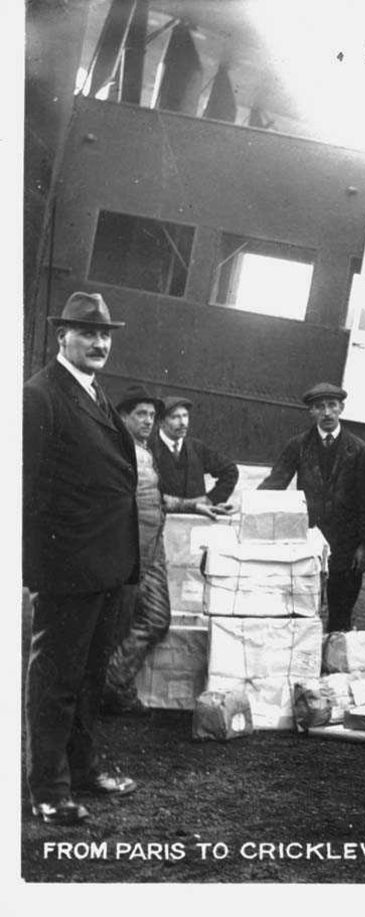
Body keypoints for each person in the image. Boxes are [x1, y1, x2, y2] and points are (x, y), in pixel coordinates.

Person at [23, 292, 140, 825]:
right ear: (61, 337)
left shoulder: (93, 393)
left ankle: (85, 767)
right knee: (57, 680)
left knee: (91, 675)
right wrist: (34, 568)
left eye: (105, 335)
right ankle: (47, 789)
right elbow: (22, 491)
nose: (99, 343)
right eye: (87, 333)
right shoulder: (41, 396)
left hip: (107, 565)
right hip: (68, 568)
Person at [103, 386, 223, 715]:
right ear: (123, 417)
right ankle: (113, 683)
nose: (148, 420)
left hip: (151, 550)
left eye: (152, 415)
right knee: (149, 619)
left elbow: (157, 499)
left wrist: (193, 505)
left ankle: (115, 684)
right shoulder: (118, 451)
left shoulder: (143, 451)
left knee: (146, 620)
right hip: (131, 552)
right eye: (140, 414)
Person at [260, 383, 365, 632]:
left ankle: (335, 664)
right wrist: (251, 506)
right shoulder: (298, 445)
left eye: (332, 405)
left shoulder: (360, 449)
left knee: (341, 613)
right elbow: (276, 481)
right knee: (303, 610)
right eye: (319, 407)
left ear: (341, 408)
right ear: (311, 412)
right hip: (308, 542)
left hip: (346, 545)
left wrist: (364, 545)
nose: (327, 413)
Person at [150, 394, 239, 510]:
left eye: (185, 416)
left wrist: (211, 499)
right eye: (175, 417)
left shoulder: (196, 447)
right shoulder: (149, 449)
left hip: (197, 520)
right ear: (161, 422)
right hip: (164, 520)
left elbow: (230, 470)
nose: (183, 422)